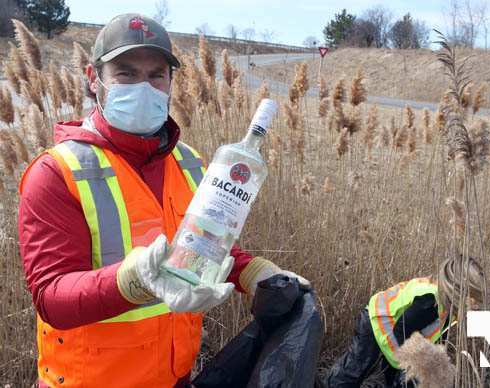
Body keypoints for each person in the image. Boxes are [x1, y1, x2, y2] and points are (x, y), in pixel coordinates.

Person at [18, 13, 308, 388]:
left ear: (171, 82)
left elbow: (203, 245)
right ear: (94, 80)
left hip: (174, 378)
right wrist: (130, 281)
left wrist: (254, 273)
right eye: (126, 73)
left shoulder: (190, 162)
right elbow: (51, 297)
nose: (144, 86)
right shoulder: (57, 172)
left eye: (157, 74)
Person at [323, 257, 485, 388]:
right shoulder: (430, 301)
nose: (474, 302)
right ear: (458, 288)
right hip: (376, 322)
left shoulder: (448, 305)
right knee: (355, 369)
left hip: (396, 329)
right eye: (472, 295)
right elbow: (401, 330)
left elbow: (437, 337)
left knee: (399, 377)